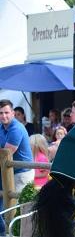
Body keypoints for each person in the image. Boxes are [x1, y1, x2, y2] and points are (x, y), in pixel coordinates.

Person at [0, 99, 34, 235]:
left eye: (6, 112)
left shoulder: (16, 128)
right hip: (6, 171)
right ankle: (5, 233)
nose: (4, 116)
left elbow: (5, 154)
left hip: (22, 172)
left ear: (13, 113)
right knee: (6, 207)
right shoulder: (2, 127)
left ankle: (11, 233)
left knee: (15, 208)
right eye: (1, 113)